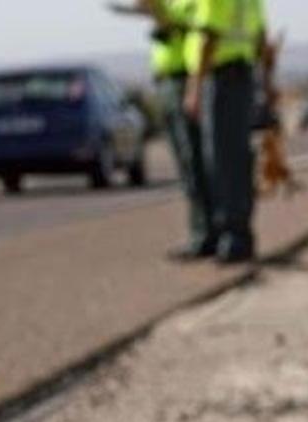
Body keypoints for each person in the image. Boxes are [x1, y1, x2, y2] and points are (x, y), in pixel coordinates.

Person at [110, 0, 215, 261]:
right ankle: (203, 232)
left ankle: (205, 234)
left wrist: (156, 11)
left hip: (183, 77)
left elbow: (186, 27)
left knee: (194, 161)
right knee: (189, 163)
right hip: (169, 79)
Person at [184, 0, 269, 263]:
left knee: (222, 161)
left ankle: (233, 238)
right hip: (241, 75)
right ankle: (237, 235)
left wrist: (195, 88)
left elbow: (210, 34)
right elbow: (260, 38)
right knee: (236, 158)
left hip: (222, 77)